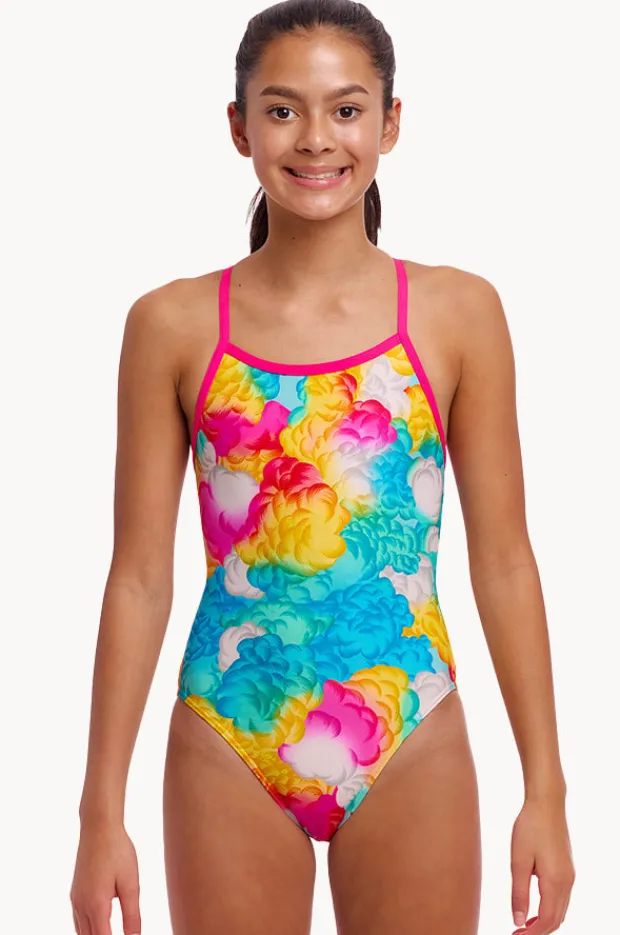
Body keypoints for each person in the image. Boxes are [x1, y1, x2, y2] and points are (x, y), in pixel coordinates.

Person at [70, 1, 575, 933]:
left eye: (346, 109)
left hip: (410, 723)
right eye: (281, 109)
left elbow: (506, 560)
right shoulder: (171, 325)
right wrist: (99, 811)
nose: (315, 139)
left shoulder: (457, 313)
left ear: (390, 122)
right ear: (239, 126)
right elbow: (138, 575)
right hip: (229, 730)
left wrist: (547, 788)